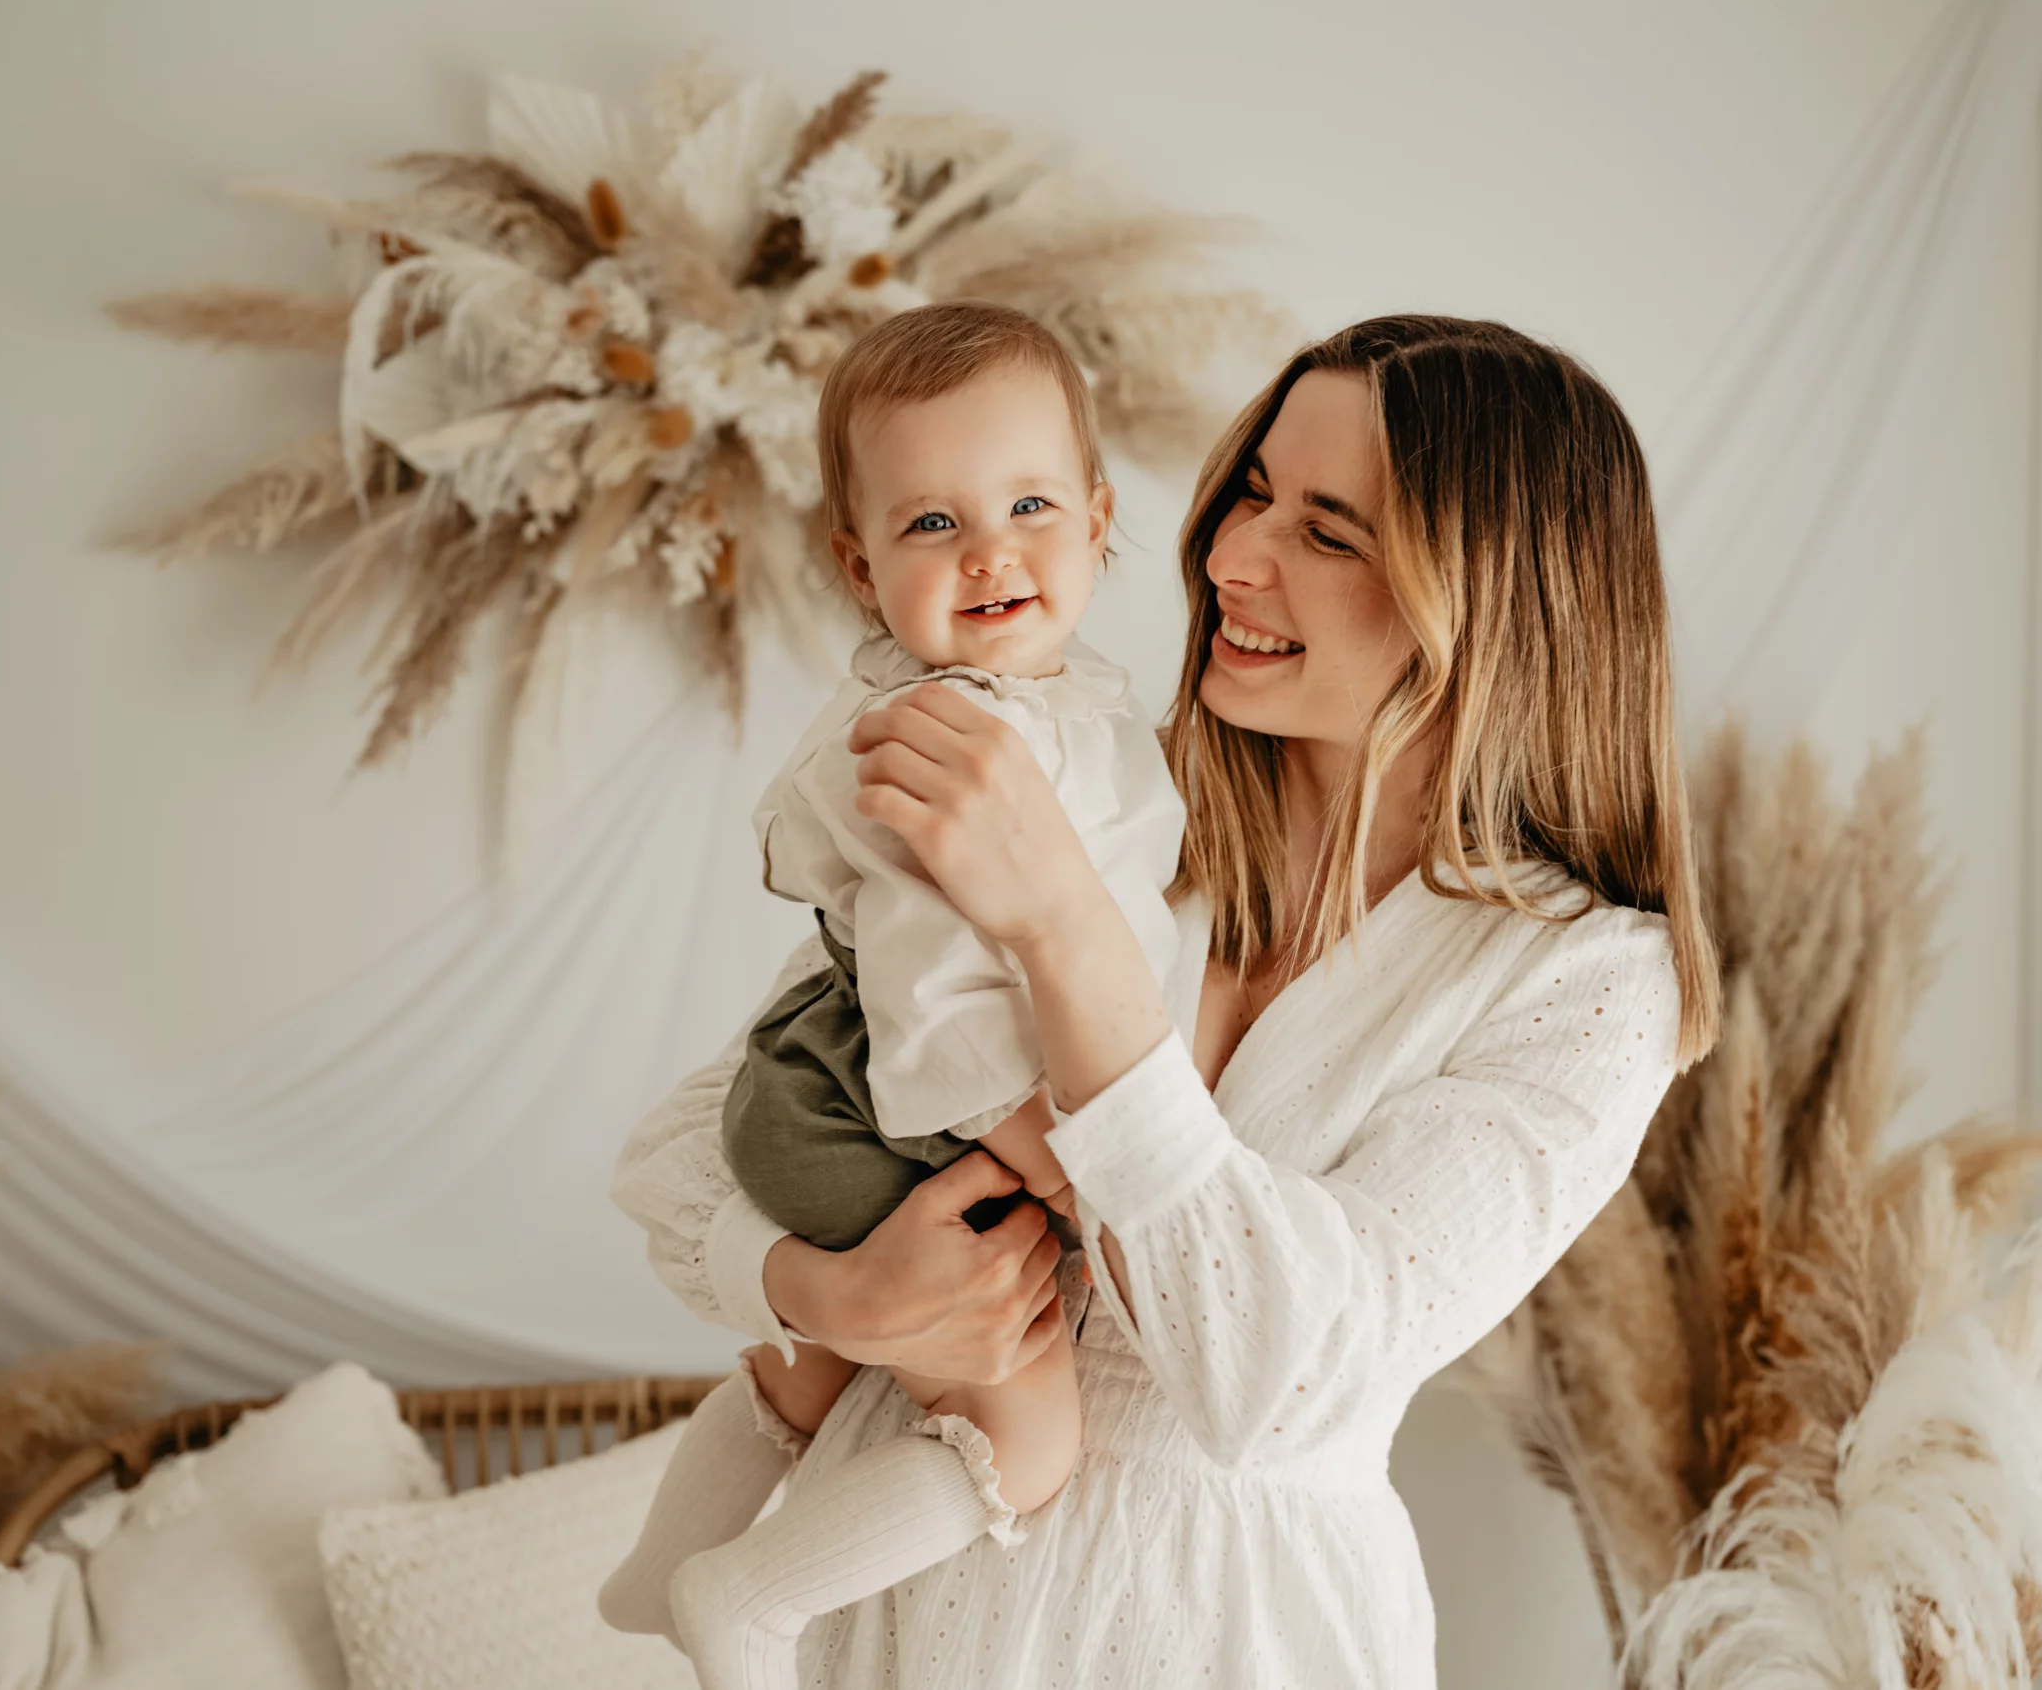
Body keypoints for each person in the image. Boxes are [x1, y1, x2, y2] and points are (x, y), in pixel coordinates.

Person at [608, 314, 1722, 1688]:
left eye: (1327, 532)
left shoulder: (1585, 982)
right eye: (1252, 491)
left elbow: (1277, 1381)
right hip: (887, 1617)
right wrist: (834, 1291)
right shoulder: (1087, 782)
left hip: (1227, 1633)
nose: (1231, 557)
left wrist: (1063, 924)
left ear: (1489, 597)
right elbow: (689, 1147)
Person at [598, 301, 1182, 1687]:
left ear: (1099, 518)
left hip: (850, 1087)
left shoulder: (1064, 702)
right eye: (932, 523)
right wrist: (1059, 1167)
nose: (990, 550)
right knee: (1027, 1439)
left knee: (813, 1365)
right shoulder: (952, 739)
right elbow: (939, 1008)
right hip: (874, 1105)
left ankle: (656, 1571)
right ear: (860, 567)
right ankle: (746, 1598)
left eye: (1030, 504)